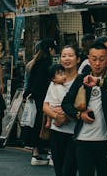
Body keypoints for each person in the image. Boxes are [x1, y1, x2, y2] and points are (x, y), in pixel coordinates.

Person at [61, 42, 107, 176]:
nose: (97, 63)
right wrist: (79, 115)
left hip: (106, 141)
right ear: (88, 59)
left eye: (101, 59)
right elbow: (66, 104)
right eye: (94, 59)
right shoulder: (82, 79)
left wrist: (99, 82)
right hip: (83, 141)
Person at [43, 47, 80, 176]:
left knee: (69, 170)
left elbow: (82, 105)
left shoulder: (81, 80)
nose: (67, 58)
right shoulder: (55, 81)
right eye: (64, 56)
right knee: (59, 170)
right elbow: (45, 106)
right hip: (56, 131)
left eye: (70, 55)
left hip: (74, 132)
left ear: (78, 59)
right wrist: (56, 116)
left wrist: (66, 116)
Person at [24, 39, 56, 165]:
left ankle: (36, 151)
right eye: (54, 49)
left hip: (36, 95)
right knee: (46, 122)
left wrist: (28, 92)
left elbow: (31, 81)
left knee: (38, 121)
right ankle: (48, 151)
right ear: (49, 49)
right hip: (45, 96)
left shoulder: (35, 62)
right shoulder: (47, 62)